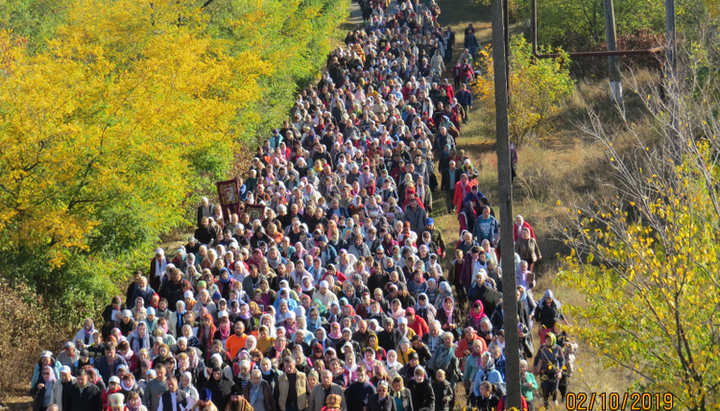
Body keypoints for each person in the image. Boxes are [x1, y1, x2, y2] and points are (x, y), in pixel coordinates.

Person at [533, 332, 564, 409]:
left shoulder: (557, 348)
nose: (547, 341)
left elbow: (562, 360)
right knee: (545, 389)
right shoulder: (542, 347)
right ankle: (546, 406)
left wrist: (560, 371)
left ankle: (554, 399)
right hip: (544, 371)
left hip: (554, 372)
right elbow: (537, 357)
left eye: (549, 340)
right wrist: (534, 366)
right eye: (546, 339)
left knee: (554, 390)